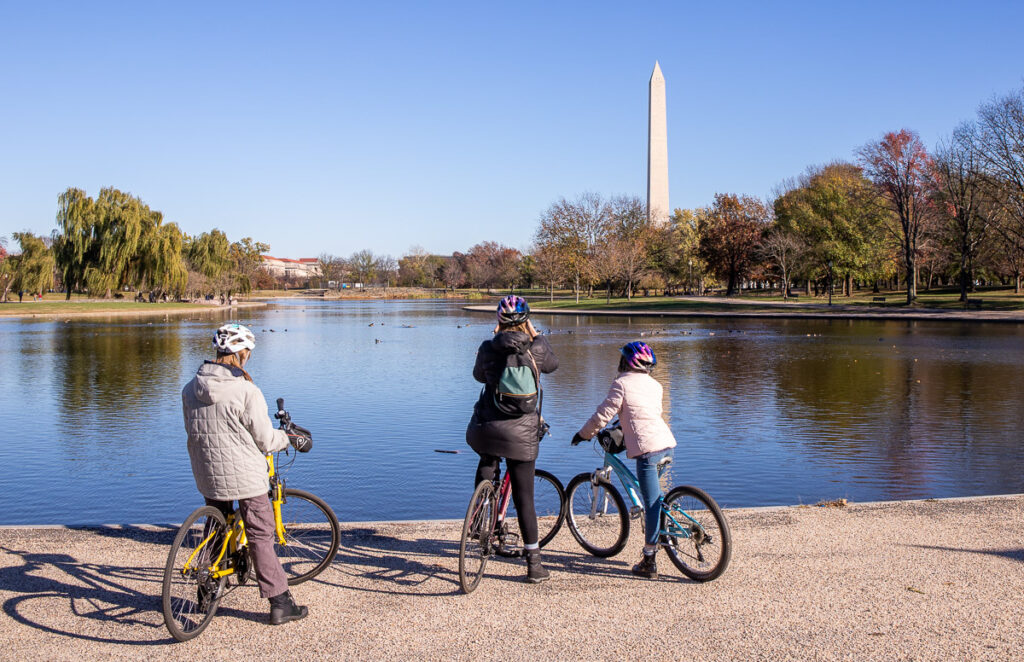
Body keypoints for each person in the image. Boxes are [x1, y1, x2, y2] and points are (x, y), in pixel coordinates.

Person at [181, 322, 311, 625]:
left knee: (215, 526)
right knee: (260, 533)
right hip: (244, 476)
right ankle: (280, 602)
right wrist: (287, 439)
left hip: (207, 472)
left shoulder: (190, 388)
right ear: (241, 353)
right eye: (248, 352)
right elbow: (265, 440)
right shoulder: (245, 390)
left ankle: (206, 592)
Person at [466, 295, 558, 583]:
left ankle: (480, 514)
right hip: (521, 433)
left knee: (487, 460)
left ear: (499, 319)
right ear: (526, 320)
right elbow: (553, 365)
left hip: (488, 427)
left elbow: (478, 376)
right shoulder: (538, 347)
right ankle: (534, 565)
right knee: (524, 497)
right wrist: (536, 334)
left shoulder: (487, 348)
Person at [572, 341, 676, 579]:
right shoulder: (656, 385)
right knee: (654, 497)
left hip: (648, 450)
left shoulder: (621, 384)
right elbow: (645, 415)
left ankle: (649, 559)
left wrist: (583, 434)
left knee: (651, 503)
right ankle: (661, 528)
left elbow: (603, 415)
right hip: (667, 444)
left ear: (625, 363)